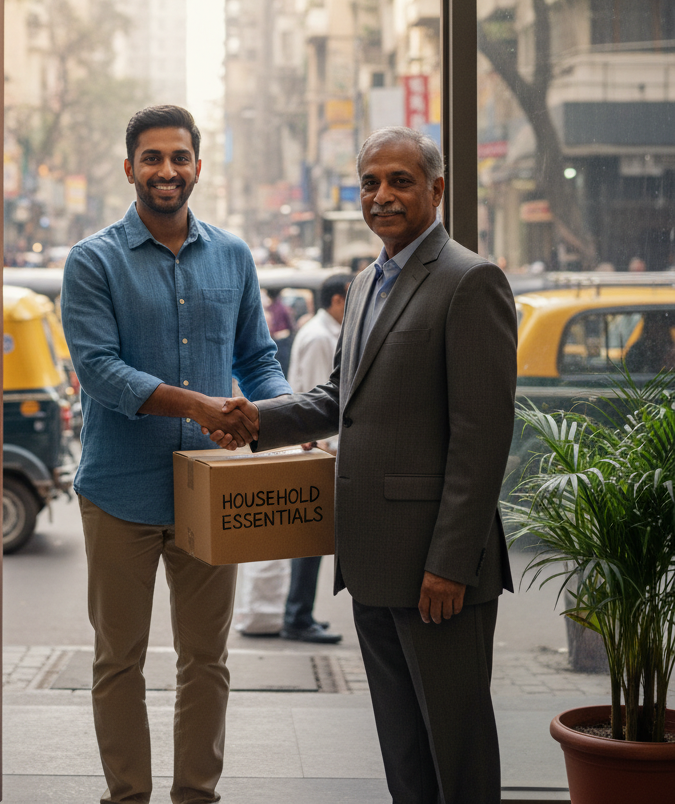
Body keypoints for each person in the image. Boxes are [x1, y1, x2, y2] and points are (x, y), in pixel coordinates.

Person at [213, 126, 517, 804]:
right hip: (372, 561)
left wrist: (450, 563)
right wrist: (257, 420)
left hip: (438, 568)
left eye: (400, 181)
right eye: (370, 183)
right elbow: (338, 397)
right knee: (403, 747)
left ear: (437, 189)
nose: (382, 195)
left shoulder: (471, 281)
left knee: (457, 749)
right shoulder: (364, 283)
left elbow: (482, 438)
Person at [61, 104, 291, 804]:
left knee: (207, 661)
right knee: (118, 661)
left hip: (209, 496)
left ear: (197, 165)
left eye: (179, 157)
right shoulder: (93, 260)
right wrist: (197, 405)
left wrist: (281, 419)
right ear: (130, 168)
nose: (167, 170)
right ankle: (127, 796)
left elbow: (257, 358)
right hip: (119, 493)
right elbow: (99, 370)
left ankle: (197, 795)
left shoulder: (233, 255)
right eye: (153, 158)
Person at [279, 273, 350, 645]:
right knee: (310, 535)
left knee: (311, 534)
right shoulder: (322, 336)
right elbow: (325, 397)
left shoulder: (322, 331)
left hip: (315, 443)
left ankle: (300, 614)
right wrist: (330, 447)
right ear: (336, 300)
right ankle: (297, 616)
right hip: (319, 446)